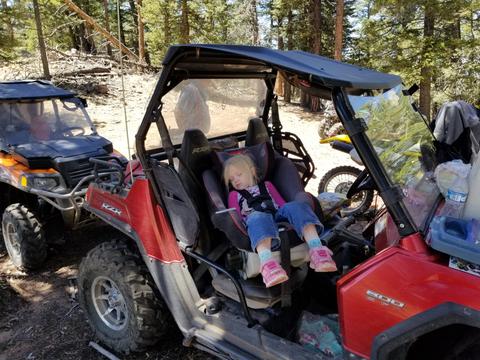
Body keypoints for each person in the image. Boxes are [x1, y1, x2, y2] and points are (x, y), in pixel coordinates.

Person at [223, 154, 337, 288]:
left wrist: (292, 213)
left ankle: (317, 248)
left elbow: (281, 203)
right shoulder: (234, 195)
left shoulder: (267, 185)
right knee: (257, 218)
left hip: (277, 214)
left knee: (295, 206)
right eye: (231, 179)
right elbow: (237, 216)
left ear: (252, 171)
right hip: (257, 222)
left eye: (239, 175)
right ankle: (268, 264)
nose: (235, 180)